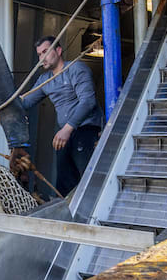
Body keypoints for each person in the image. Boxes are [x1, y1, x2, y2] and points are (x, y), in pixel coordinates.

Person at [20, 35, 104, 196]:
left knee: (87, 180)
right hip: (65, 134)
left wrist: (67, 129)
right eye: (39, 54)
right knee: (65, 183)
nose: (41, 57)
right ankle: (68, 216)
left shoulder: (76, 69)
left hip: (86, 131)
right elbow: (25, 102)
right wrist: (6, 103)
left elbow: (87, 101)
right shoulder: (45, 80)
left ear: (58, 50)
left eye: (45, 51)